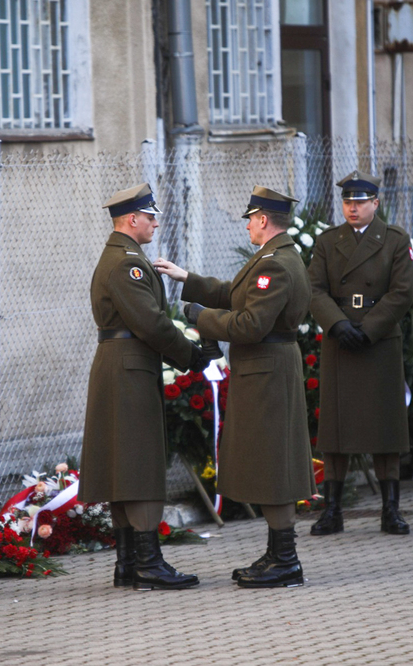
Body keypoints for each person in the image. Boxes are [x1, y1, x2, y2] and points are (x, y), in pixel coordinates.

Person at [154, 186, 314, 588]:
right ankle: (279, 553)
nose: (246, 224)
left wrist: (201, 318)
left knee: (273, 462)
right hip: (264, 371)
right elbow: (233, 294)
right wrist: (187, 279)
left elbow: (249, 324)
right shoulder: (272, 257)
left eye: (249, 218)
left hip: (268, 371)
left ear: (263, 220)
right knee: (265, 459)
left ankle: (286, 560)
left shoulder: (276, 264)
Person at [78, 183, 209, 590]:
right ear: (131, 220)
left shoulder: (125, 257)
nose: (155, 222)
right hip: (129, 368)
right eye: (150, 216)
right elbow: (151, 323)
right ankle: (148, 564)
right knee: (139, 464)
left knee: (125, 464)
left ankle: (129, 564)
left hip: (125, 366)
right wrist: (191, 354)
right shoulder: (127, 263)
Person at [307, 170, 413, 537]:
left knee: (385, 427)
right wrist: (337, 325)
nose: (352, 209)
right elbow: (314, 289)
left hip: (378, 341)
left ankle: (390, 510)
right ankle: (332, 510)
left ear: (375, 203)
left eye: (360, 202)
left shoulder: (394, 240)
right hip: (340, 340)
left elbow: (402, 292)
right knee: (336, 429)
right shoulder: (328, 241)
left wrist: (367, 330)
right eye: (348, 202)